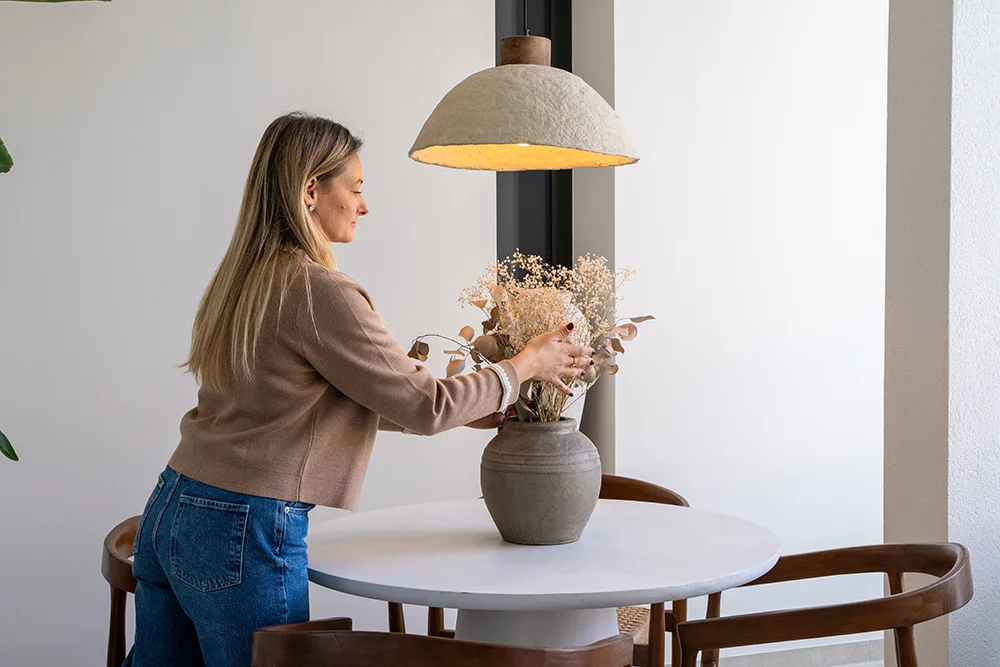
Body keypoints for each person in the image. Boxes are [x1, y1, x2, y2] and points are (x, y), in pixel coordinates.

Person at [123, 112, 593, 667]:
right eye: (357, 188)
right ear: (310, 191)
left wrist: (474, 406)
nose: (365, 206)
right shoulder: (320, 291)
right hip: (242, 524)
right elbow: (424, 407)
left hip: (175, 503)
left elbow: (302, 398)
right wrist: (525, 364)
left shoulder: (245, 279)